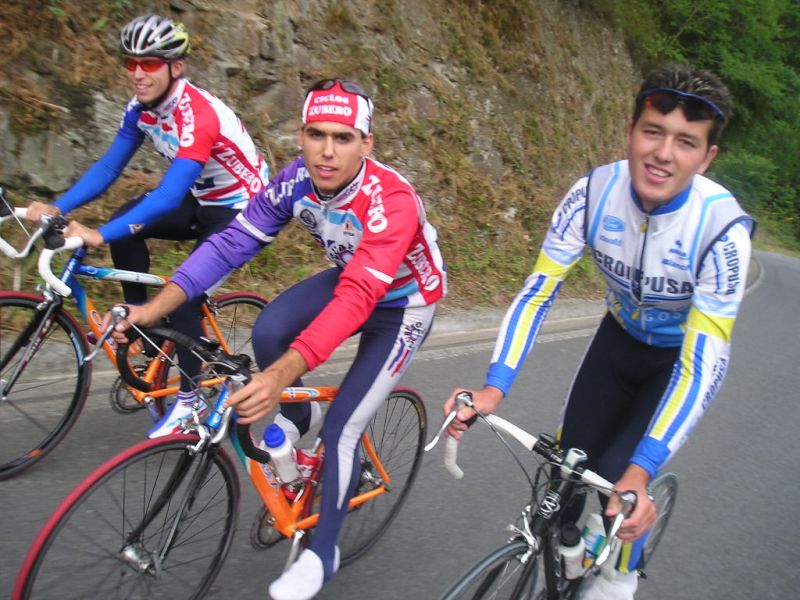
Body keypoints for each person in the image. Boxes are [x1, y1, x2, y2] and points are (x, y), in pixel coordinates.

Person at [110, 79, 446, 599]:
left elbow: (358, 298)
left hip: (402, 305)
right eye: (316, 134)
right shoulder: (295, 183)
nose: (327, 151)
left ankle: (323, 553)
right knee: (268, 329)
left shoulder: (391, 200)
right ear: (301, 136)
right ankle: (299, 413)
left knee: (343, 428)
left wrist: (278, 377)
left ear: (366, 144)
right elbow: (230, 244)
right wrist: (153, 309)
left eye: (343, 137)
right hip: (352, 278)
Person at [444, 64, 754, 599]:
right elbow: (537, 293)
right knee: (565, 472)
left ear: (706, 159)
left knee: (619, 490)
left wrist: (643, 468)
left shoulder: (721, 232)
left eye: (686, 142)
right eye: (653, 131)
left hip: (675, 363)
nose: (663, 153)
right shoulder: (592, 194)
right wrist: (495, 386)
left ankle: (618, 578)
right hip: (617, 341)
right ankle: (568, 551)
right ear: (630, 131)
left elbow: (702, 365)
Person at [26, 14, 269, 437]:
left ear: (177, 67)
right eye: (131, 63)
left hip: (242, 210)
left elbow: (169, 196)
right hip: (203, 198)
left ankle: (190, 400)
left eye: (150, 63)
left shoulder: (199, 115)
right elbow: (109, 167)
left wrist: (97, 235)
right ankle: (144, 331)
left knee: (184, 291)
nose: (138, 73)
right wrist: (57, 206)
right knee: (125, 220)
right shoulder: (141, 110)